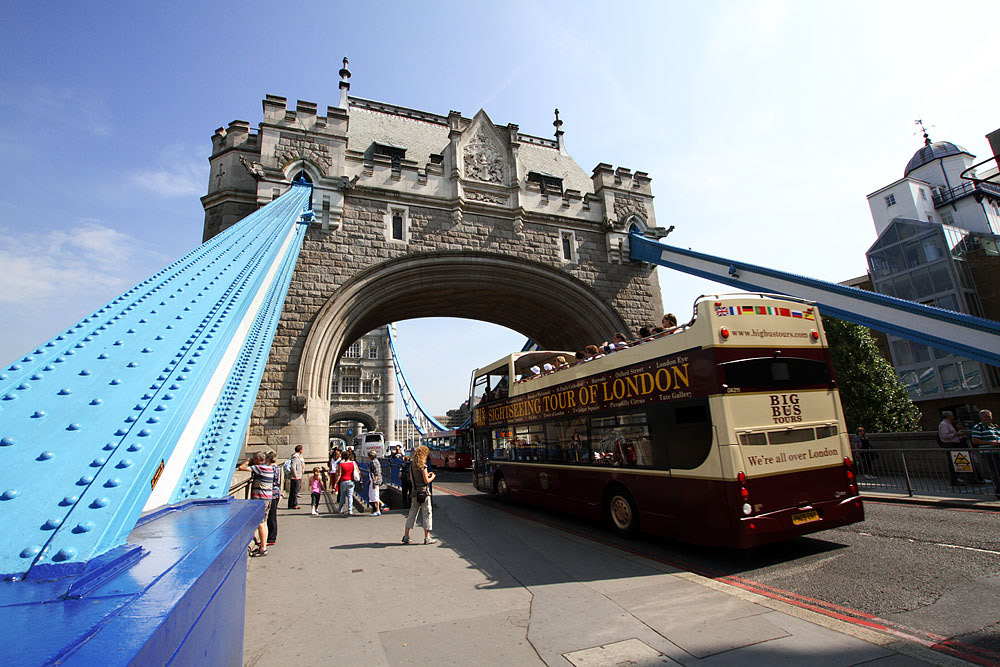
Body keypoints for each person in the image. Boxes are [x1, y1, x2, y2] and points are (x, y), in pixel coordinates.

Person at [237, 452, 274, 556]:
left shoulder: (259, 468)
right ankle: (263, 545)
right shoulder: (269, 468)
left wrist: (247, 462)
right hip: (268, 498)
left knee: (260, 523)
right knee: (264, 523)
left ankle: (263, 549)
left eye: (254, 459)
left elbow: (241, 468)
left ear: (258, 459)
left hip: (261, 499)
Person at [402, 445, 436, 545]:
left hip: (414, 492)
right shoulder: (423, 466)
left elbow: (411, 479)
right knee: (427, 514)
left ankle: (406, 535)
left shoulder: (412, 466)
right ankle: (427, 537)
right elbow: (426, 481)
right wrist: (432, 477)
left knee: (412, 514)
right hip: (424, 493)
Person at [971, 409, 1000, 499]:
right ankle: (999, 491)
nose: (988, 418)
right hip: (989, 452)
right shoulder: (978, 427)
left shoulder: (995, 426)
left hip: (998, 451)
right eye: (986, 417)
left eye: (989, 416)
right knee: (996, 471)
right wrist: (991, 443)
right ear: (981, 418)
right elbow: (975, 440)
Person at [937, 411, 967, 486]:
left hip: (954, 444)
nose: (953, 417)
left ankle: (957, 477)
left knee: (956, 461)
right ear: (948, 416)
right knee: (952, 462)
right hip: (949, 444)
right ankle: (954, 478)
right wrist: (957, 434)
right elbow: (945, 436)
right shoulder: (944, 424)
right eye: (952, 416)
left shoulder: (949, 424)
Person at [334, 449, 358, 515]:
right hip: (351, 481)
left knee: (342, 496)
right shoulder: (353, 463)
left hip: (343, 481)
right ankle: (350, 510)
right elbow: (357, 471)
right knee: (350, 496)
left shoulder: (341, 464)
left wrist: (336, 483)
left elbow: (339, 474)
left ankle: (340, 509)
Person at [265, 450, 281, 545]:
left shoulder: (270, 468)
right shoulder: (277, 467)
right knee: (273, 514)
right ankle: (272, 536)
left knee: (271, 516)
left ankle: (271, 537)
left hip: (271, 493)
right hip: (277, 492)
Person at [368, 450, 385, 515]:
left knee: (375, 495)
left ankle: (378, 510)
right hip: (375, 480)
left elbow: (376, 473)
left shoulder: (373, 462)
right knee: (373, 495)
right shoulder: (376, 461)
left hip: (375, 481)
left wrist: (374, 482)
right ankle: (382, 505)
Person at [288, 444, 305, 509]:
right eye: (302, 449)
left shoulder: (298, 456)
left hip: (297, 475)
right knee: (295, 490)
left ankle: (291, 504)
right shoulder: (295, 457)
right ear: (300, 450)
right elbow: (293, 466)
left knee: (293, 490)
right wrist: (295, 476)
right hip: (296, 476)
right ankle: (294, 504)